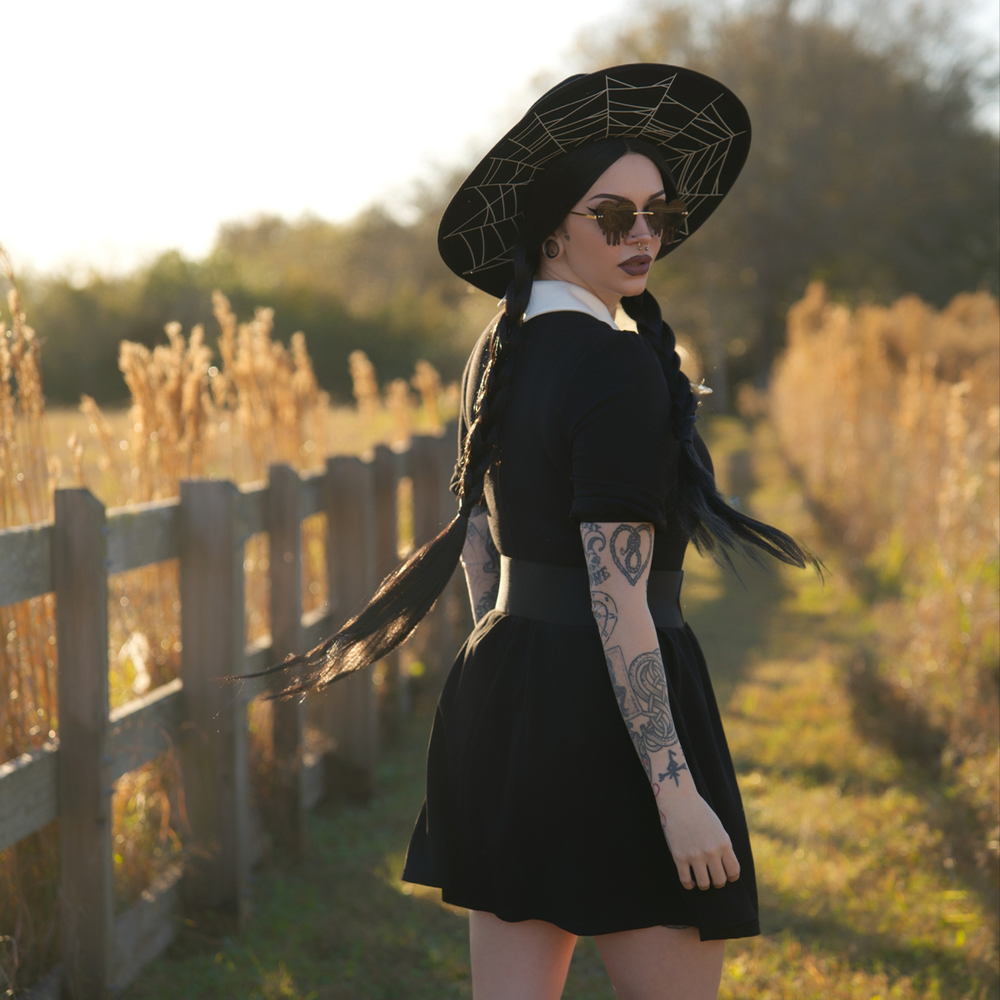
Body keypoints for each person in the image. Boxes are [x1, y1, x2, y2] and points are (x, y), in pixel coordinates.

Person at [270, 65, 815, 1000]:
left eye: (658, 215)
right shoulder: (616, 366)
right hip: (616, 720)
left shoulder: (498, 346)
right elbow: (617, 596)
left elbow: (481, 540)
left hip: (507, 691)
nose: (643, 234)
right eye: (614, 216)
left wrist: (515, 662)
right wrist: (677, 794)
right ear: (554, 226)